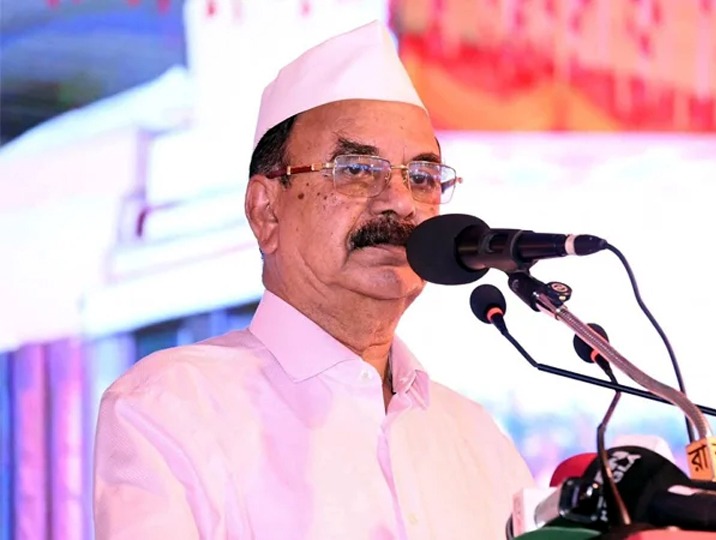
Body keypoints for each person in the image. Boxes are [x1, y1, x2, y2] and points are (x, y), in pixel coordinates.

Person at [92, 20, 535, 539]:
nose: (400, 202)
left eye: (422, 177)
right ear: (266, 211)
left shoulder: (478, 439)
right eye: (357, 169)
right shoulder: (170, 406)